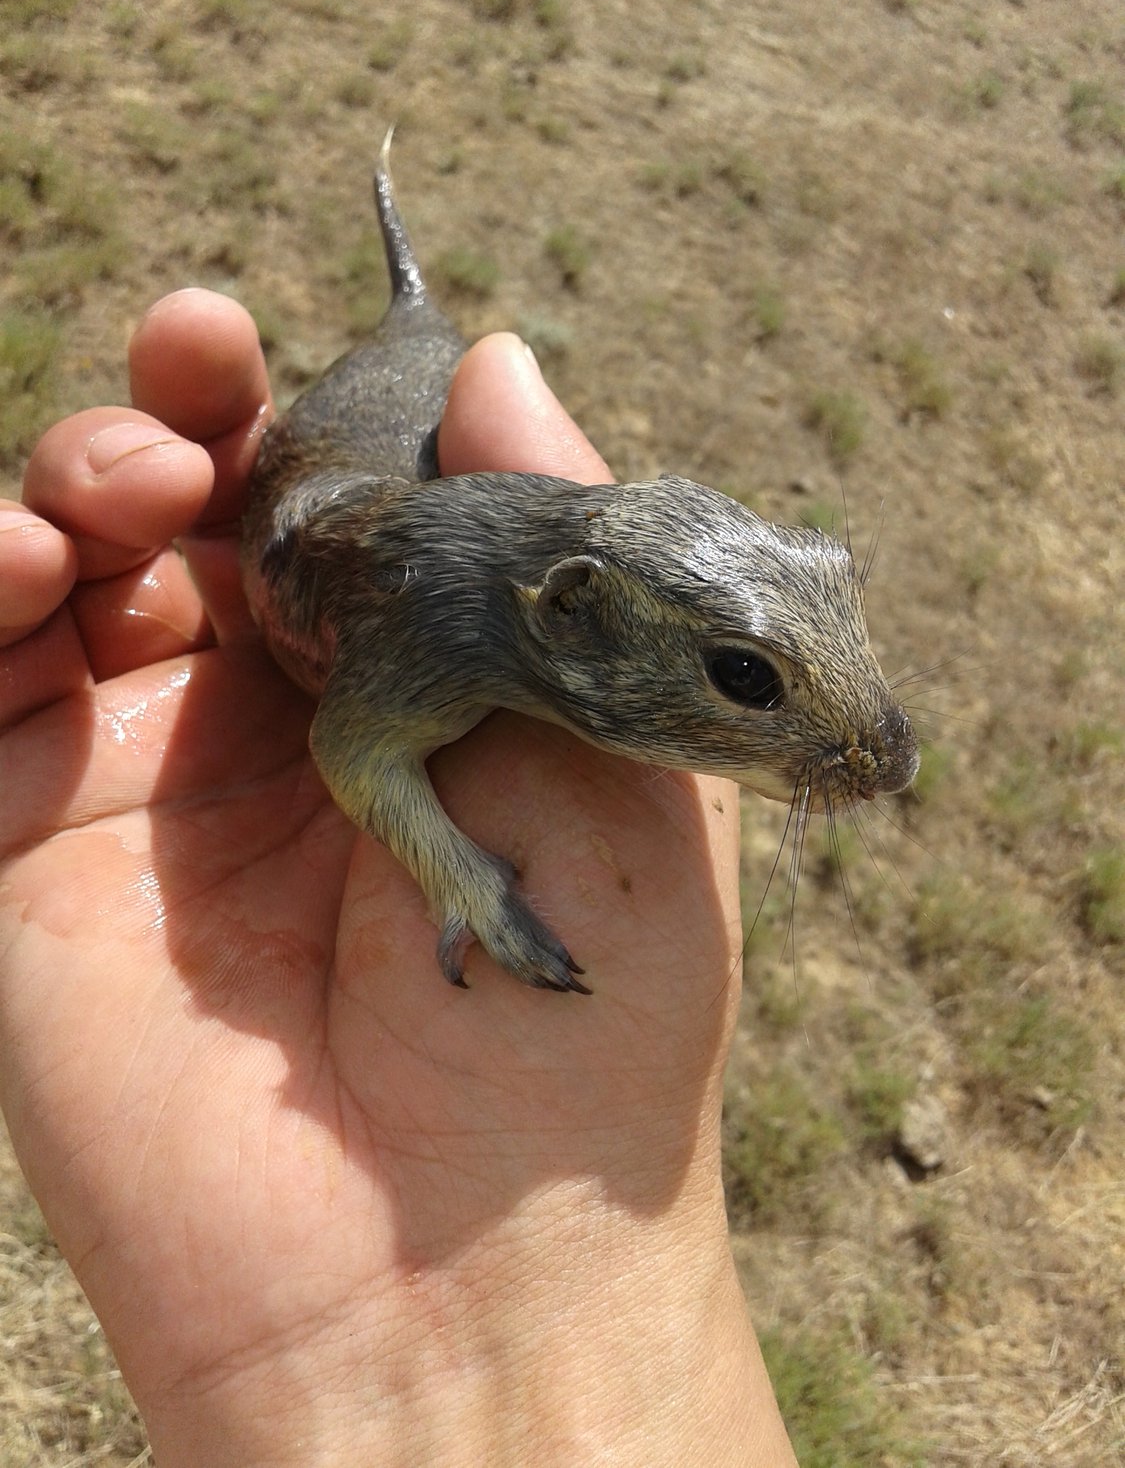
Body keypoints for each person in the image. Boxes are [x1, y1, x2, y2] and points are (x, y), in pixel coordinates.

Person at [0, 289, 797, 1465]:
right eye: (747, 679)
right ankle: (407, 309)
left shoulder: (526, 610)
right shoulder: (452, 625)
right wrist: (462, 877)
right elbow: (353, 746)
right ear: (573, 613)